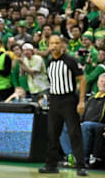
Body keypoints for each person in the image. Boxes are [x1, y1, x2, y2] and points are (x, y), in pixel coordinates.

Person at [38, 36, 87, 176]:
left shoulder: (70, 60)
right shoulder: (49, 62)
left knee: (74, 133)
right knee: (52, 134)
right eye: (51, 43)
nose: (54, 46)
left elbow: (82, 79)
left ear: (62, 45)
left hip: (68, 100)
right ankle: (51, 165)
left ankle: (80, 166)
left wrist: (81, 101)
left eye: (56, 43)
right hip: (54, 100)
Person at [60, 73, 105, 168]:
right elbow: (82, 115)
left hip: (100, 125)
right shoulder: (91, 99)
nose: (103, 83)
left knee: (86, 125)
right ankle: (70, 156)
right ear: (97, 83)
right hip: (86, 123)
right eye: (101, 81)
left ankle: (83, 159)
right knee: (64, 124)